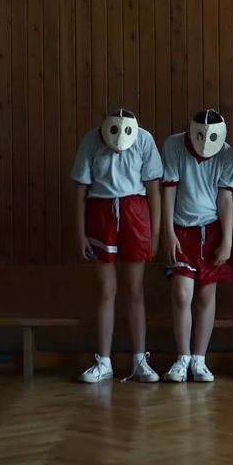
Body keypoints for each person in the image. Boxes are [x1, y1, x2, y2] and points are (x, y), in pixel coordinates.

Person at [72, 109, 163, 383]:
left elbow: (154, 189)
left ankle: (139, 360)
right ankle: (104, 360)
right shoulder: (91, 141)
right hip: (101, 213)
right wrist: (80, 234)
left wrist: (154, 234)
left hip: (135, 212)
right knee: (106, 289)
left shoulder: (144, 140)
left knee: (135, 290)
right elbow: (79, 193)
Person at [160, 109, 233, 383]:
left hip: (212, 230)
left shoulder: (228, 153)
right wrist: (167, 231)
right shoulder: (173, 146)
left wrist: (228, 239)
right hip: (182, 230)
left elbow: (226, 198)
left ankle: (199, 359)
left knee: (206, 296)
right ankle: (182, 357)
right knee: (182, 294)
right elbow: (168, 189)